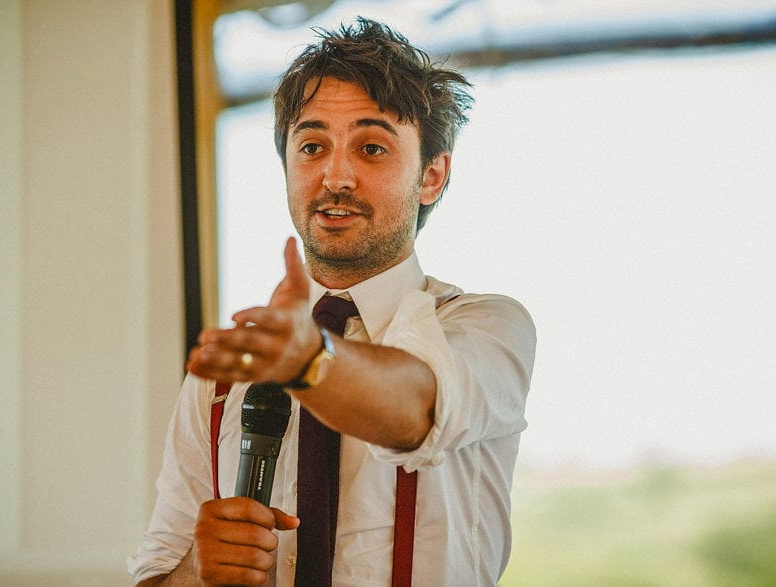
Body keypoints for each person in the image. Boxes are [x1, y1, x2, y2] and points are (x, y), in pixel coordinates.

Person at [129, 17, 536, 587]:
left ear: (432, 177)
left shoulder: (488, 326)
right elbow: (156, 571)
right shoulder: (227, 376)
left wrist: (308, 362)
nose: (335, 176)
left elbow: (416, 408)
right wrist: (199, 570)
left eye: (371, 148)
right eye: (312, 146)